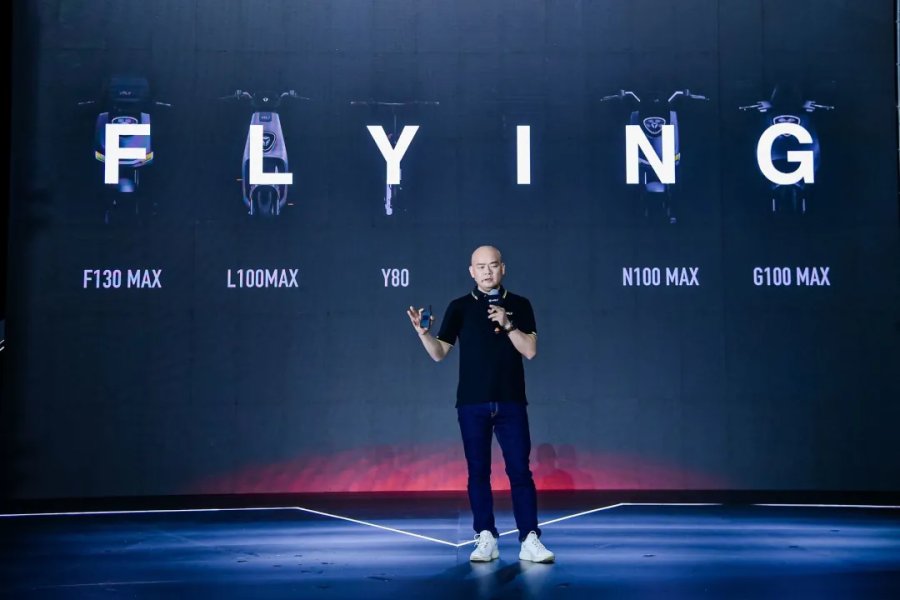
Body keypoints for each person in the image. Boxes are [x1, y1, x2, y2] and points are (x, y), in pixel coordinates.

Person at [406, 245, 555, 563]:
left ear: (503, 268)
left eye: (493, 265)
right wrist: (423, 334)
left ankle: (529, 538)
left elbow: (530, 350)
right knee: (478, 472)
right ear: (471, 272)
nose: (488, 271)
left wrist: (508, 323)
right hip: (472, 403)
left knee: (520, 471)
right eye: (481, 266)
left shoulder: (520, 304)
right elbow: (439, 353)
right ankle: (486, 535)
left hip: (511, 401)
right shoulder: (459, 307)